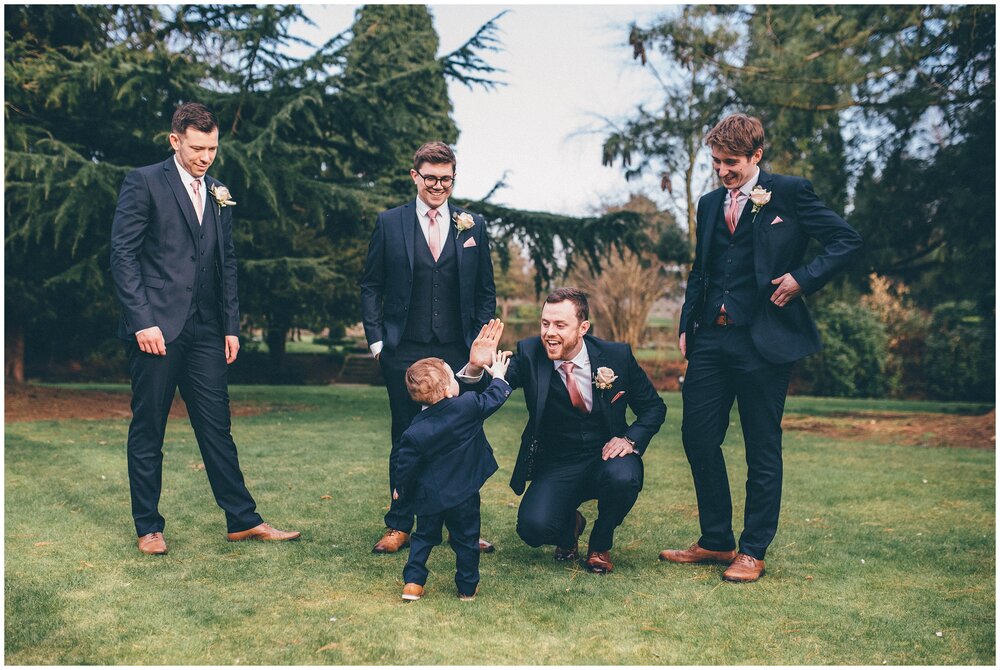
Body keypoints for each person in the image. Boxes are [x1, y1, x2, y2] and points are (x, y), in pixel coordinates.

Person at [659, 113, 863, 582]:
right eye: (715, 162)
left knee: (762, 446)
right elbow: (701, 269)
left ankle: (752, 549)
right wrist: (689, 323)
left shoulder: (790, 192)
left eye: (731, 162)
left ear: (757, 156)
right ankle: (715, 540)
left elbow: (845, 240)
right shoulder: (710, 204)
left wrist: (802, 278)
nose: (722, 171)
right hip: (711, 337)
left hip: (765, 341)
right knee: (697, 437)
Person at [110, 102, 300, 555]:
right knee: (149, 429)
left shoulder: (218, 191)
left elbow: (225, 261)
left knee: (217, 428)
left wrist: (231, 326)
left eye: (212, 148)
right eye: (197, 147)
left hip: (207, 332)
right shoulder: (144, 182)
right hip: (156, 332)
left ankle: (242, 520)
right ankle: (149, 527)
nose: (205, 157)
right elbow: (123, 256)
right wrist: (143, 322)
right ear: (174, 140)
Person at [461, 289, 666, 573]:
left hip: (608, 457)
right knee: (532, 529)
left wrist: (630, 439)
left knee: (624, 478)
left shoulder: (616, 356)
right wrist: (475, 367)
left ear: (583, 328)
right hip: (557, 462)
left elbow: (654, 407)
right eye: (545, 323)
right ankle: (571, 526)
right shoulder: (530, 354)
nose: (549, 333)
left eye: (560, 325)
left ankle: (600, 545)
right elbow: (490, 390)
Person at [359, 141, 497, 554]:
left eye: (446, 178)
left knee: (462, 435)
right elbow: (371, 285)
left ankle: (462, 529)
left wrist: (480, 341)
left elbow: (485, 290)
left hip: (458, 350)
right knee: (405, 436)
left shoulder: (472, 226)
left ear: (453, 177)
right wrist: (378, 341)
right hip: (404, 348)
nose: (438, 186)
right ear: (415, 176)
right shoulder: (390, 223)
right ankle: (399, 524)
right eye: (431, 178)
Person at [393, 351, 512, 601]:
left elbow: (405, 466)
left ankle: (413, 583)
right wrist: (499, 376)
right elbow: (493, 398)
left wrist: (400, 489)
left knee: (423, 538)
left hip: (429, 498)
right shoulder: (467, 406)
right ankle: (467, 588)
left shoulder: (415, 430)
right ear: (448, 390)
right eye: (451, 373)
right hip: (464, 495)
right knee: (467, 540)